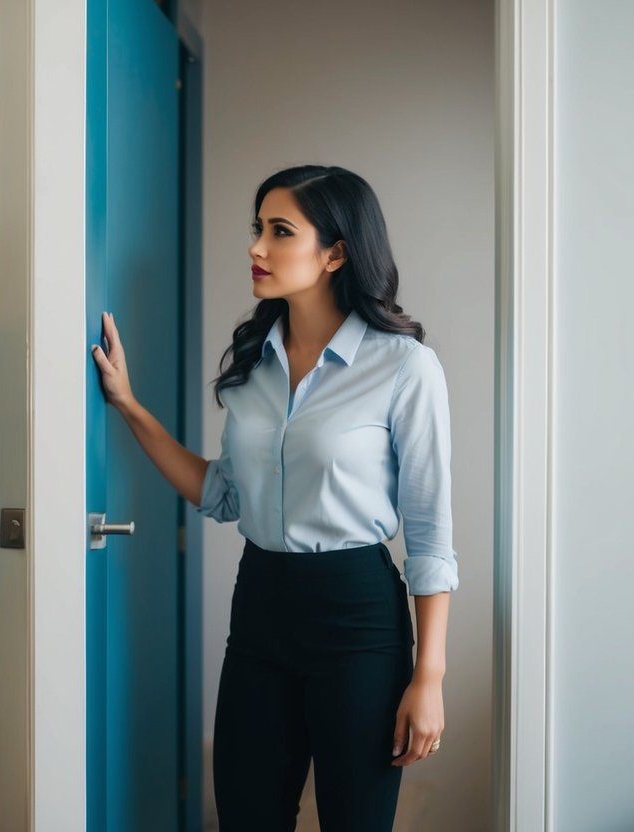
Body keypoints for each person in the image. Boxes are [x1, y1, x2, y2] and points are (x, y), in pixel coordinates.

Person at [91, 165, 456, 831]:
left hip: (358, 618)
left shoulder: (403, 366)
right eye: (256, 229)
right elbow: (222, 495)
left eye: (279, 231)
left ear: (335, 252)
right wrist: (128, 406)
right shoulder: (253, 358)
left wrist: (426, 678)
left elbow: (430, 535)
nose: (256, 248)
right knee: (246, 816)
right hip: (259, 606)